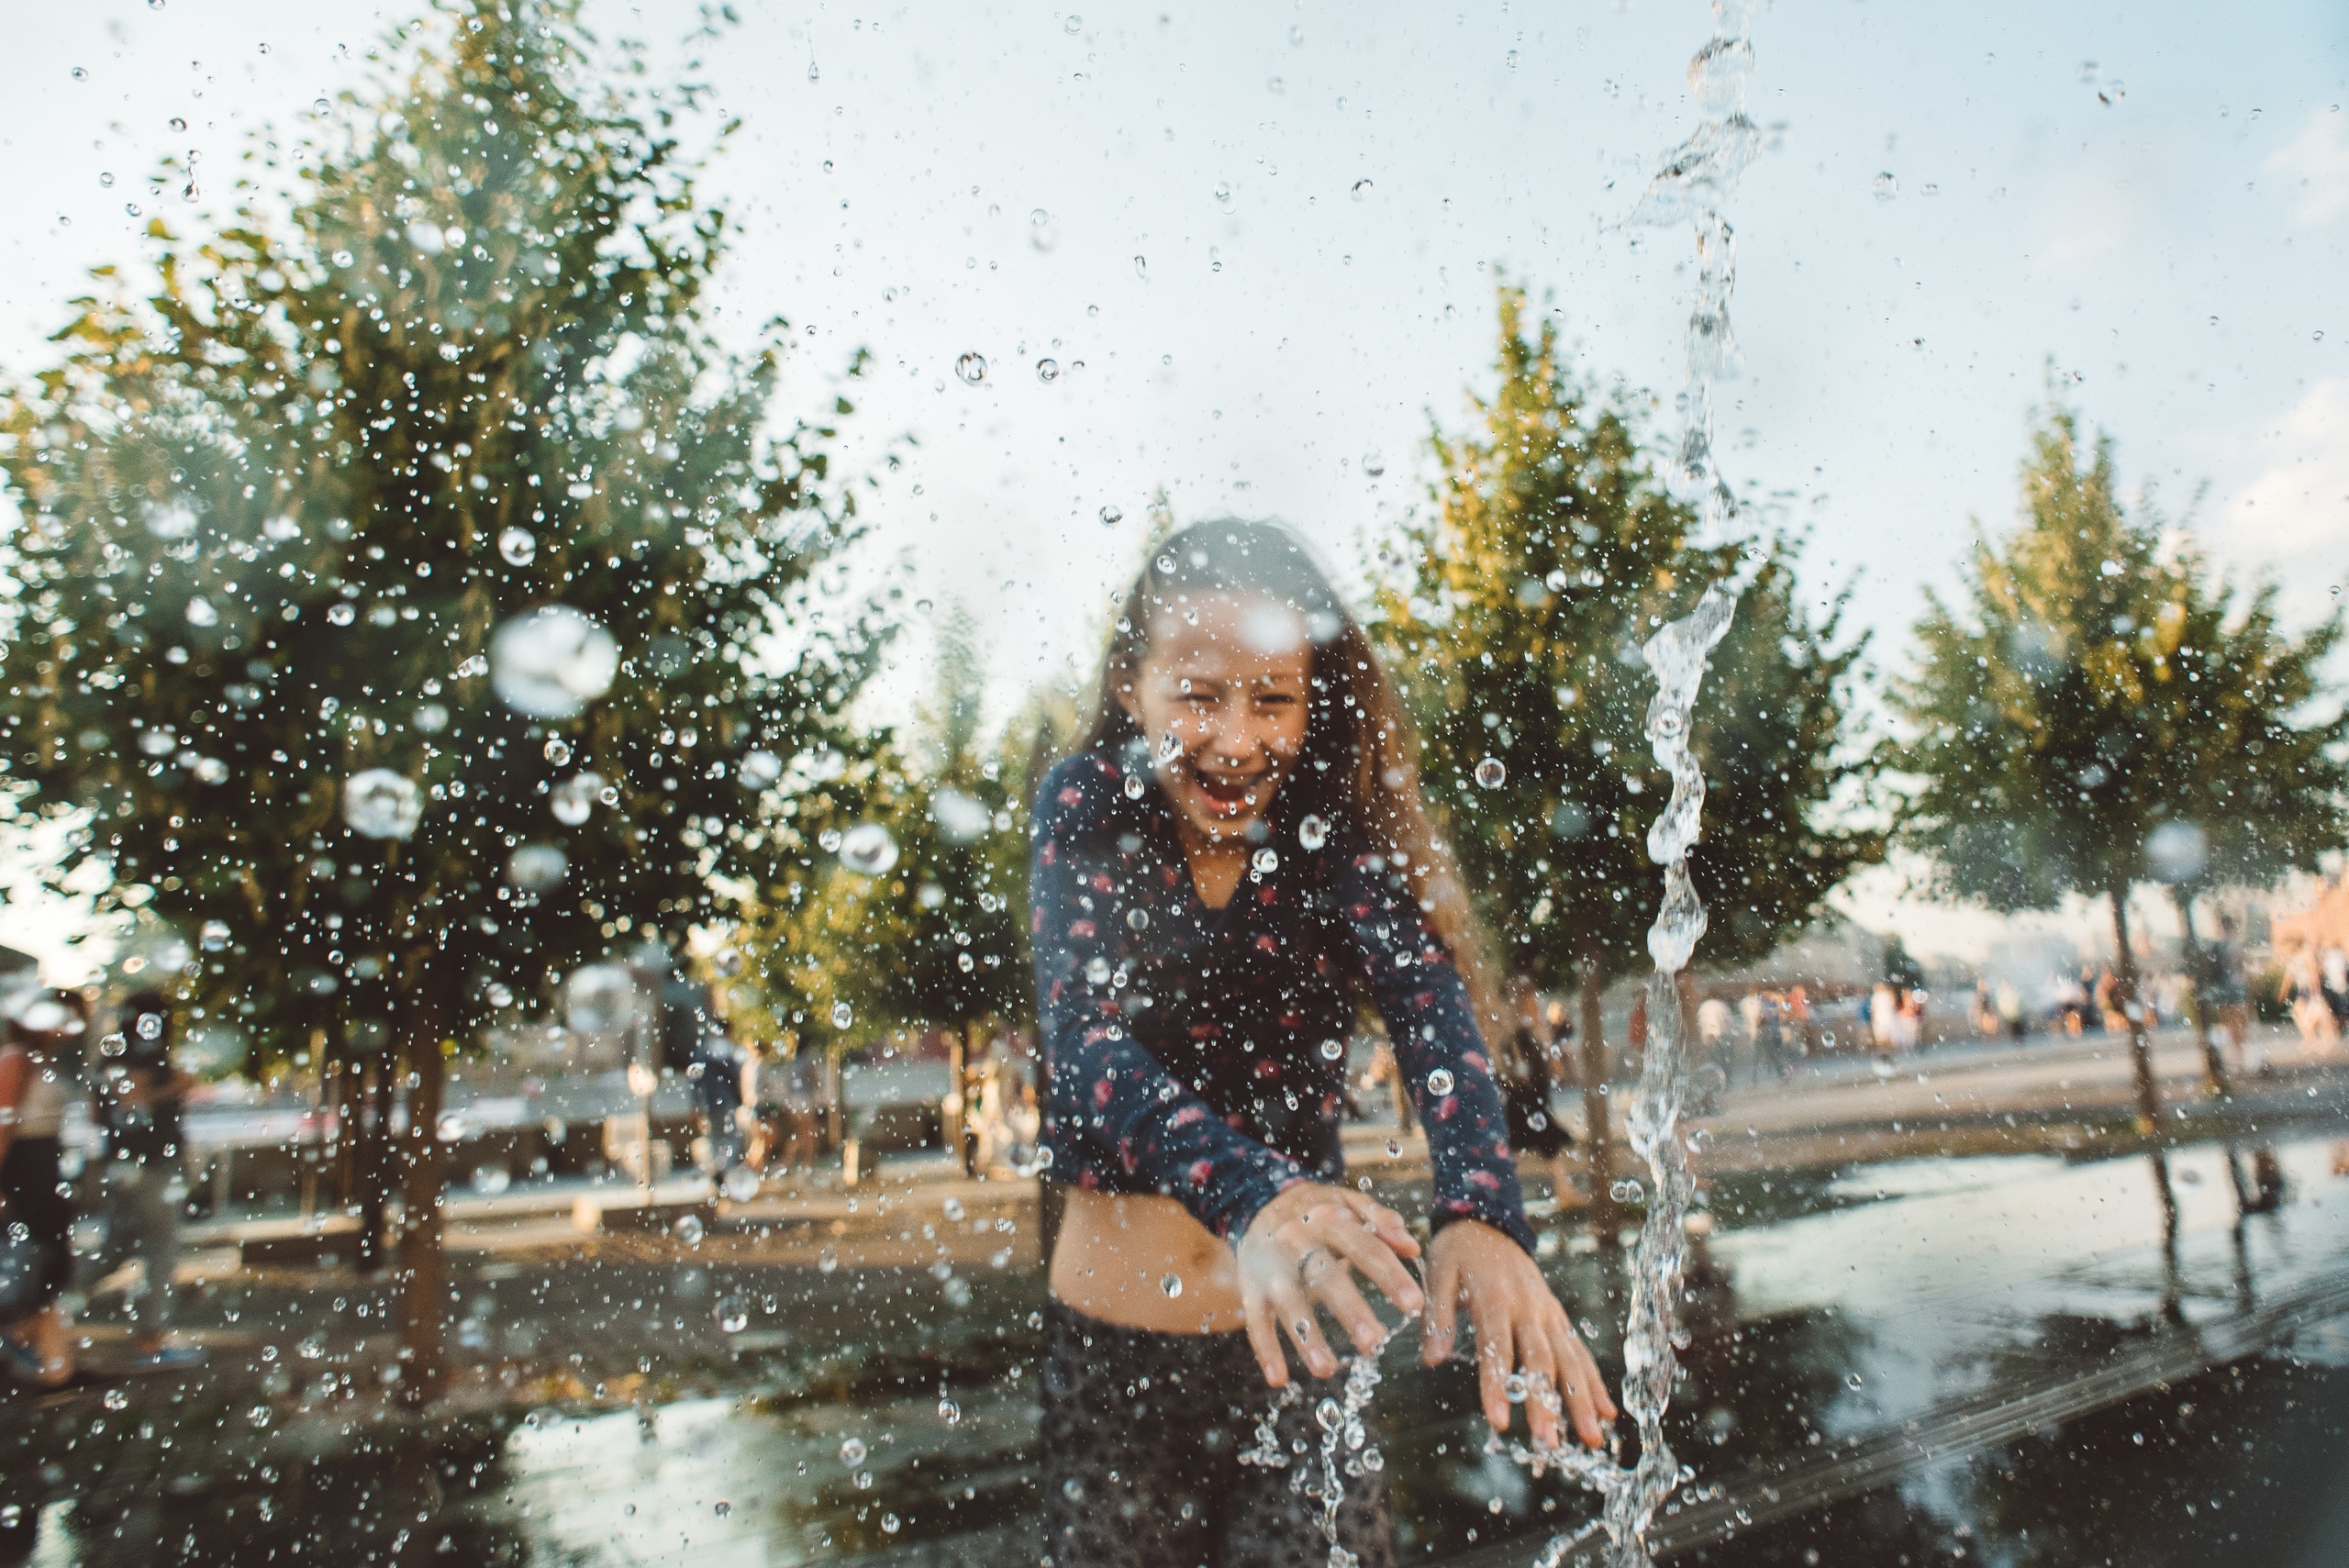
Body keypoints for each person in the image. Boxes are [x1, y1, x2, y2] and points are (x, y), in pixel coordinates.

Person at [1031, 521, 1613, 1568]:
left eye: (1274, 700)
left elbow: (1433, 1009)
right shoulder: (1090, 806)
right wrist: (1255, 1192)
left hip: (1302, 1351)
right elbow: (1084, 1047)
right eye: (1198, 694)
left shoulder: (1328, 836)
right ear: (1132, 684)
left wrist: (1481, 1209)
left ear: (1316, 697)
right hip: (1114, 1357)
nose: (1236, 738)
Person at [80, 990, 206, 1370]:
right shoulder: (141, 1054)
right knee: (161, 1248)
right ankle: (151, 1342)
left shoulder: (111, 1056)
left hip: (123, 1165)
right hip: (149, 1167)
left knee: (116, 1246)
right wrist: (177, 1086)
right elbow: (134, 1101)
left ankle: (46, 1309)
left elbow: (95, 1114)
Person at [0, 991, 87, 1385]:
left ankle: (48, 1360)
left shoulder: (43, 1060)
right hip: (27, 1169)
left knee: (50, 1266)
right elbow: (3, 1125)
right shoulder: (15, 1058)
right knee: (44, 1265)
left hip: (45, 1166)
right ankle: (56, 1369)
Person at [1499, 976, 1576, 1207]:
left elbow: (1542, 1047)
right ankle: (1562, 1191)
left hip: (1529, 1087)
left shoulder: (1523, 1021)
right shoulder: (1517, 1024)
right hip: (1525, 1089)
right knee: (1531, 1140)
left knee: (1531, 1141)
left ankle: (1505, 1195)